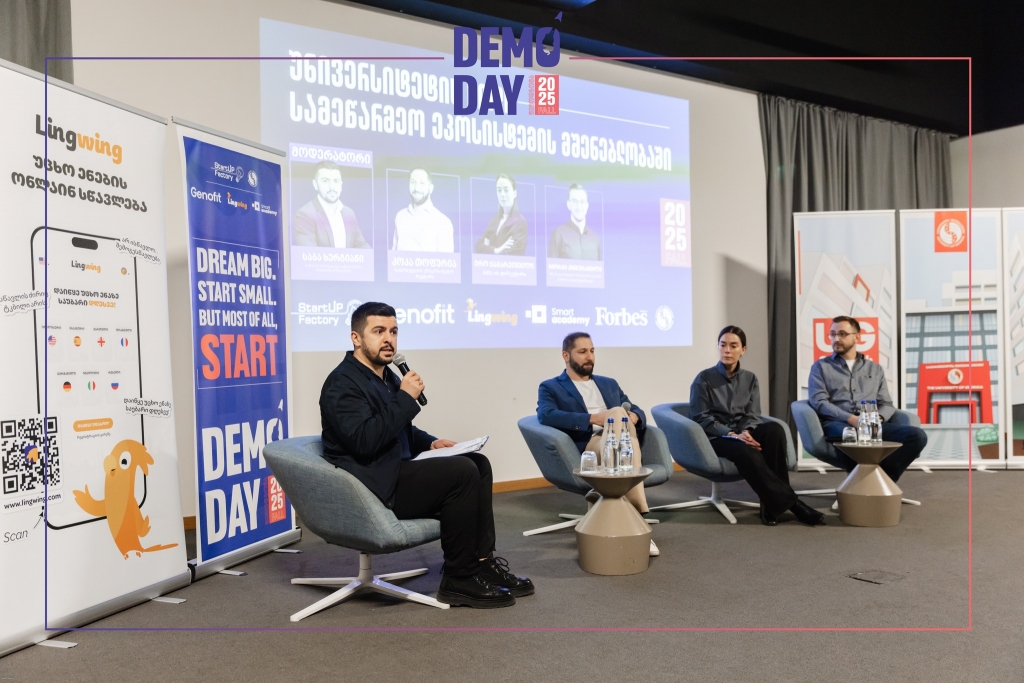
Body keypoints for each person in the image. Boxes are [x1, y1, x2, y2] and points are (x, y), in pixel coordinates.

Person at [319, 302, 532, 608]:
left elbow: (397, 428)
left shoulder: (387, 376)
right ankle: (459, 579)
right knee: (461, 473)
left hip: (394, 468)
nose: (388, 339)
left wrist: (430, 443)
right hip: (372, 481)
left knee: (478, 464)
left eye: (393, 331)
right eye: (378, 331)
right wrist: (406, 397)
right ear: (356, 338)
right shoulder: (342, 383)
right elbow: (365, 441)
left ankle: (481, 563)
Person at [537, 332, 659, 556]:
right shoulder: (551, 387)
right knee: (623, 430)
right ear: (566, 355)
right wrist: (592, 418)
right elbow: (546, 415)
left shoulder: (608, 383)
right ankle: (638, 520)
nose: (589, 357)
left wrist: (635, 416)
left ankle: (626, 516)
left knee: (622, 421)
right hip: (590, 444)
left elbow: (634, 407)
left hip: (621, 437)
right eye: (582, 351)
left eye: (592, 351)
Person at [690, 326, 825, 526]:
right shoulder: (703, 379)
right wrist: (731, 434)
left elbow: (753, 414)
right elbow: (701, 418)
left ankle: (770, 505)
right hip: (716, 436)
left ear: (743, 350)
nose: (727, 350)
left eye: (733, 346)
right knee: (746, 451)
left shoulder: (750, 379)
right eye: (723, 345)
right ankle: (794, 504)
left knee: (774, 431)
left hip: (742, 433)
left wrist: (746, 432)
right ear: (718, 347)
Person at [808, 315, 926, 481]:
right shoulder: (821, 367)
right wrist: (851, 419)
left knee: (917, 436)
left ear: (857, 337)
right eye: (832, 334)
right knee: (850, 434)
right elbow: (818, 402)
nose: (836, 339)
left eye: (842, 334)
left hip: (871, 424)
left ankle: (882, 480)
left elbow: (886, 404)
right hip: (838, 423)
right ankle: (864, 484)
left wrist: (876, 419)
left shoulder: (875, 369)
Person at [293, 161, 370, 248]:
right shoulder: (305, 214)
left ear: (341, 185)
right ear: (315, 184)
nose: (332, 187)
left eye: (336, 181)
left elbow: (361, 245)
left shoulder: (349, 213)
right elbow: (308, 252)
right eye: (325, 181)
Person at [393, 168, 455, 252]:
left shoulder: (443, 222)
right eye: (413, 182)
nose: (416, 188)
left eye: (422, 183)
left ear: (431, 188)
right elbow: (394, 255)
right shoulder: (400, 216)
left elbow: (446, 259)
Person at [474, 173, 528, 255]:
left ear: (514, 193)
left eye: (506, 190)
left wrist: (488, 247)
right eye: (499, 190)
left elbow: (511, 253)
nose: (502, 194)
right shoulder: (493, 221)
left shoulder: (520, 223)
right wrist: (496, 250)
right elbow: (478, 246)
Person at [548, 184, 601, 260]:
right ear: (568, 205)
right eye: (574, 201)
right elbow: (552, 266)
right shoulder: (558, 234)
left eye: (582, 201)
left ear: (587, 205)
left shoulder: (595, 239)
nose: (578, 207)